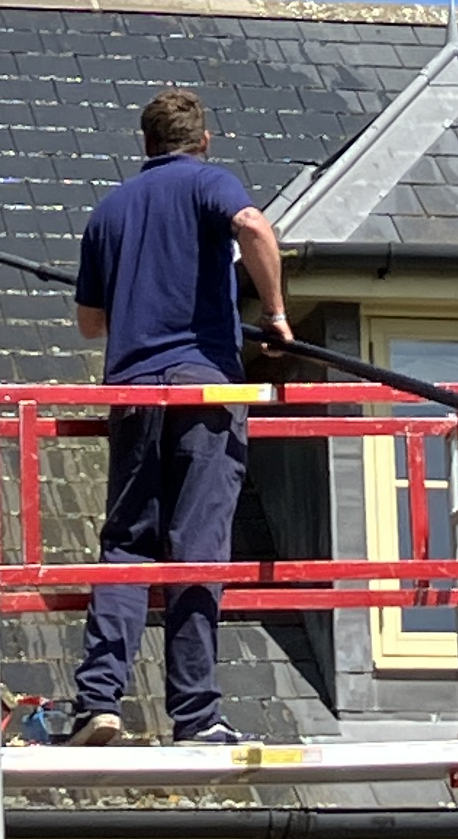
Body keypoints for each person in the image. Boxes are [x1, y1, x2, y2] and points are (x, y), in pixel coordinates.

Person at [53, 87, 292, 745]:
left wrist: (135, 285)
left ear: (146, 145)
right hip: (203, 388)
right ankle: (195, 715)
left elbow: (89, 324)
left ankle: (98, 701)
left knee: (127, 544)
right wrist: (273, 315)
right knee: (197, 548)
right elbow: (253, 226)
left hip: (132, 390)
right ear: (203, 141)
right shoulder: (210, 184)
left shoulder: (109, 212)